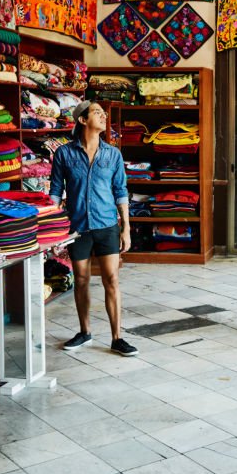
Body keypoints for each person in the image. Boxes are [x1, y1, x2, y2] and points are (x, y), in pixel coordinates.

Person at [49, 101, 138, 356]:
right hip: (77, 227)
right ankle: (84, 332)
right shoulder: (64, 154)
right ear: (82, 120)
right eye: (97, 112)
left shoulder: (113, 154)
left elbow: (121, 191)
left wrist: (126, 228)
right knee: (81, 280)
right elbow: (55, 191)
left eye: (103, 113)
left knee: (112, 279)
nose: (103, 116)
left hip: (107, 224)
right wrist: (53, 229)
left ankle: (117, 337)